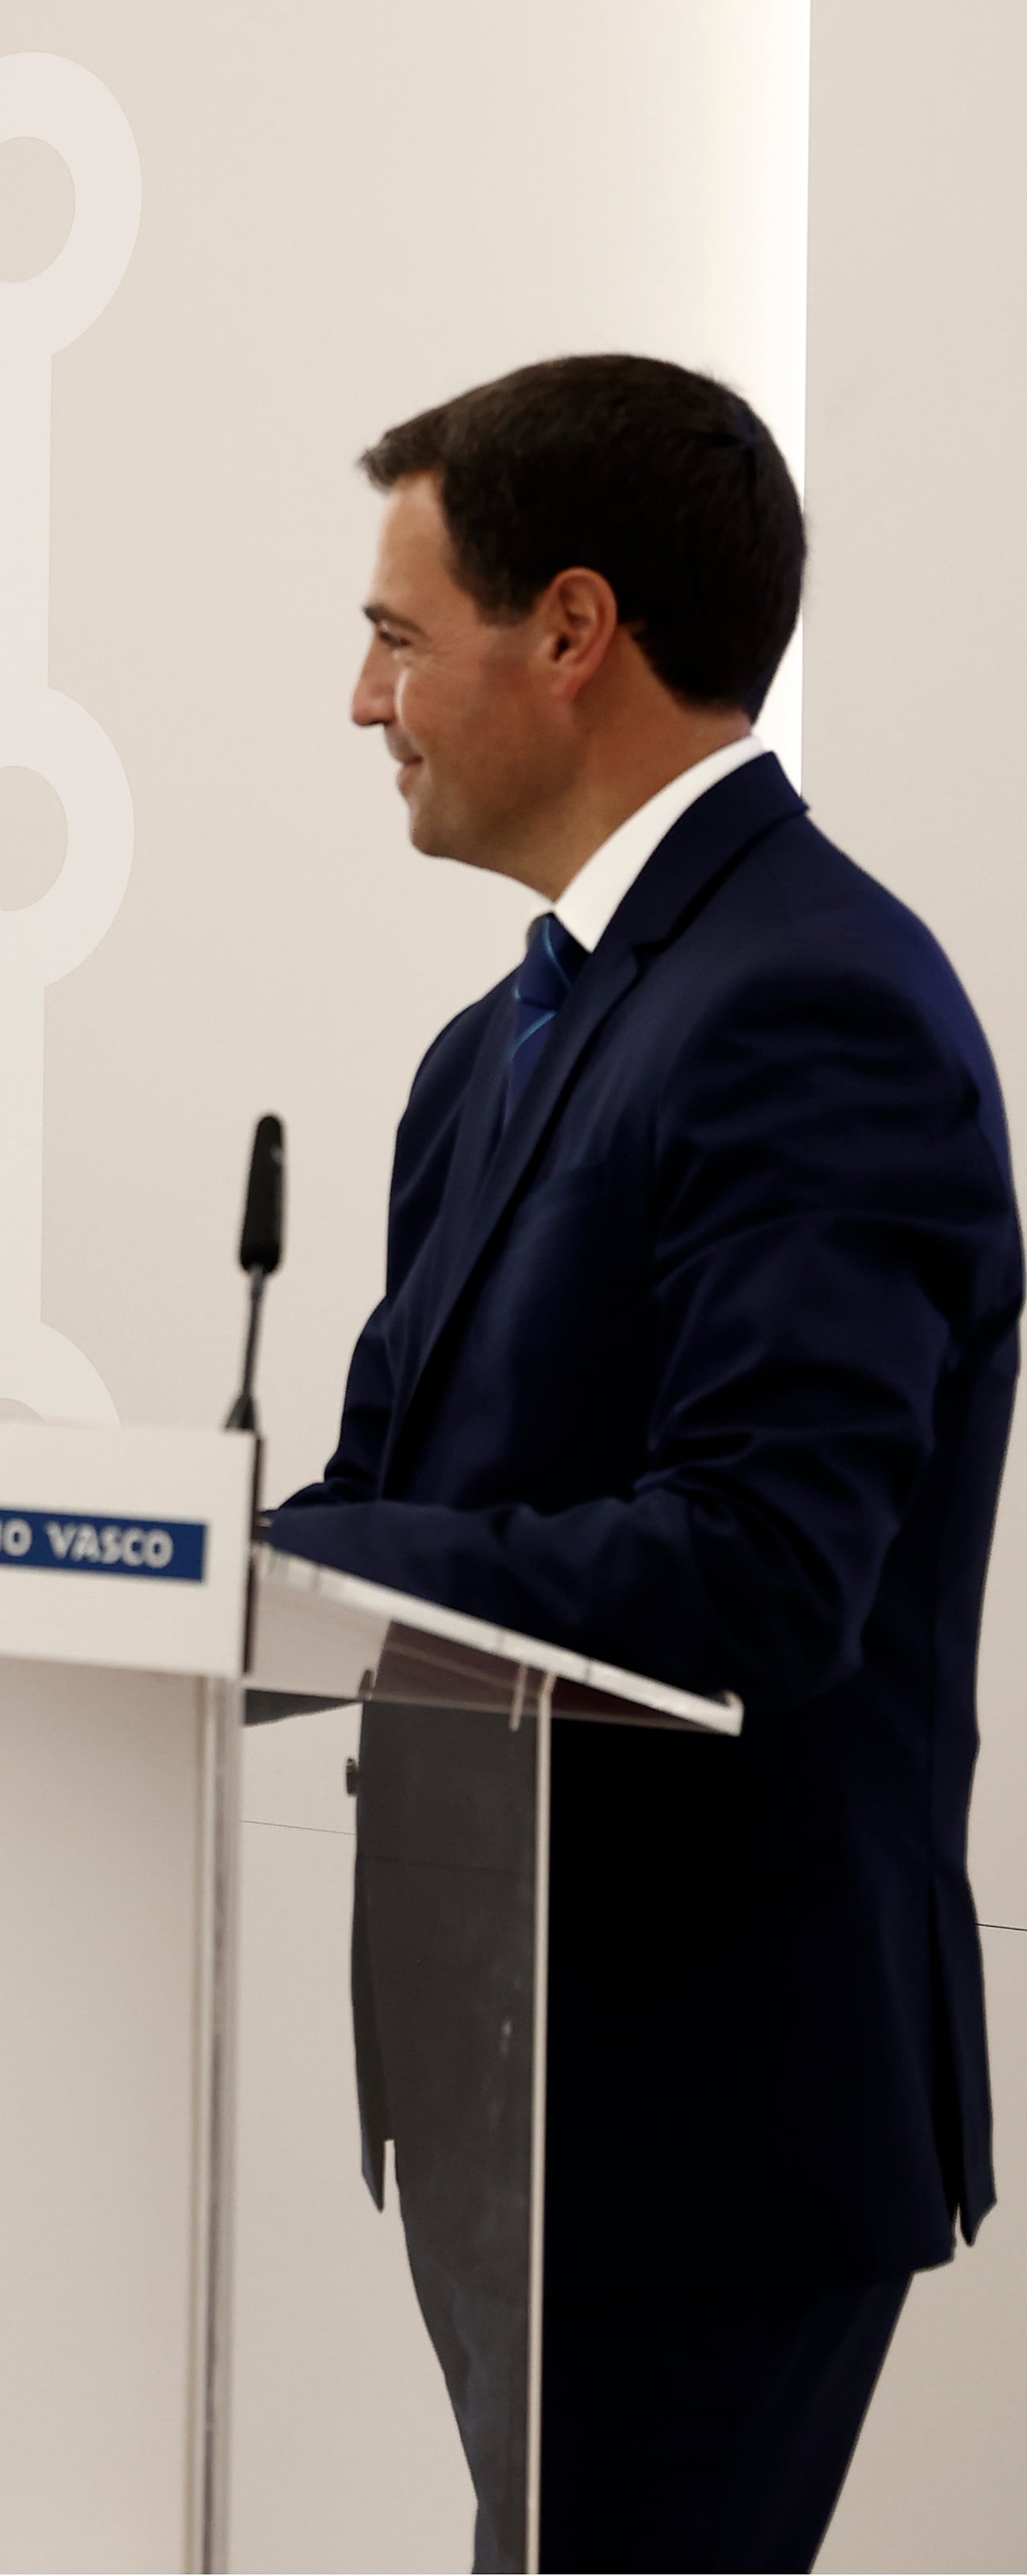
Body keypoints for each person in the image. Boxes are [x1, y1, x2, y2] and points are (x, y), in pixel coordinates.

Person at [273, 356, 1016, 2570]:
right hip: (507, 2065)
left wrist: (258, 1560)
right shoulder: (486, 1048)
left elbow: (762, 1566)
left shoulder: (820, 1003)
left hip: (707, 2106)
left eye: (399, 636)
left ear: (572, 631)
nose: (358, 698)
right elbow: (396, 1485)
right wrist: (190, 1571)